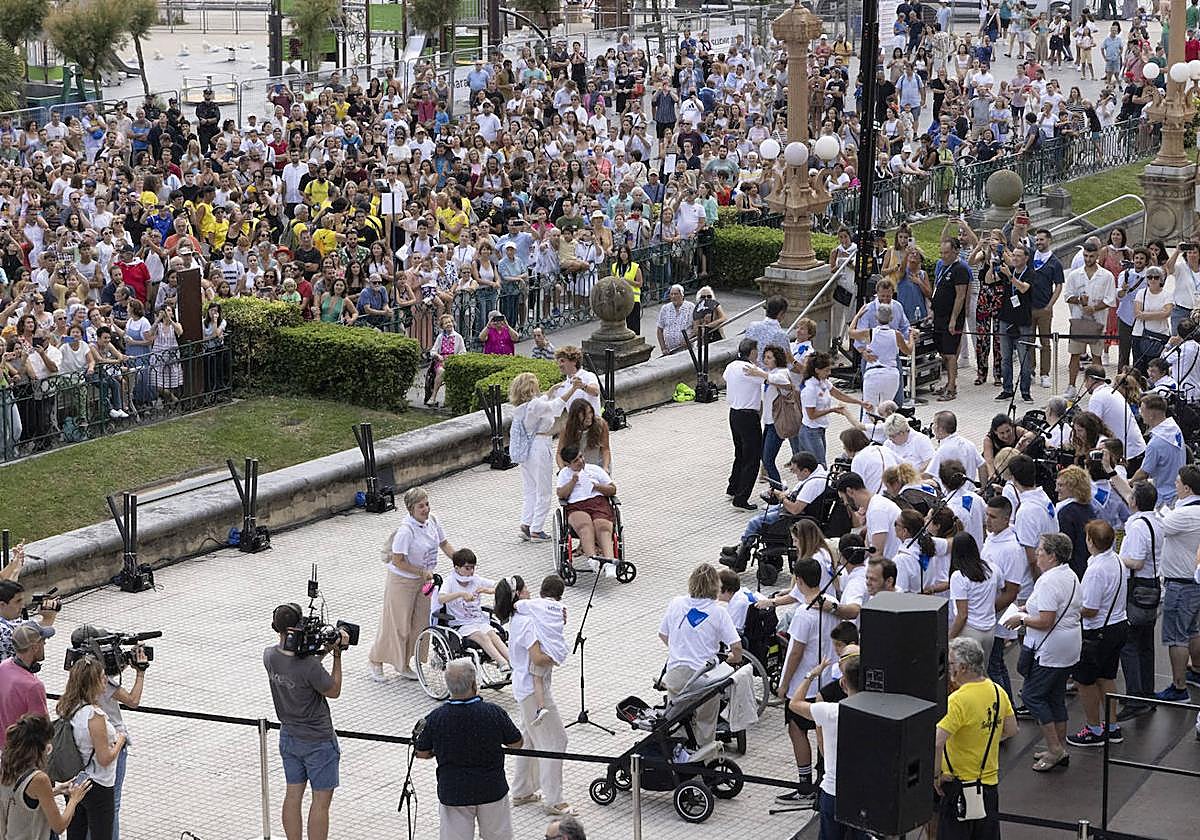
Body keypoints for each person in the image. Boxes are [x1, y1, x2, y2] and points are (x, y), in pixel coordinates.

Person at [264, 602, 349, 840]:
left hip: (289, 736)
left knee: (293, 795)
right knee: (320, 802)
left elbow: (299, 668)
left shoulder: (269, 656)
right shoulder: (310, 666)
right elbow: (333, 690)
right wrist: (337, 654)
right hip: (318, 741)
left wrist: (322, 651)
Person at [415, 659, 524, 840]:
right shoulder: (493, 713)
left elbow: (421, 752)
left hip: (454, 791)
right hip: (491, 788)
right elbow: (516, 743)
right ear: (474, 684)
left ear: (448, 686)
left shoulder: (436, 718)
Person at [1003, 532, 1083, 772]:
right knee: (1055, 697)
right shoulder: (1069, 575)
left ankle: (1055, 749)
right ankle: (1058, 748)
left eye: (1041, 550)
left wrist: (1022, 618)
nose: (1036, 553)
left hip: (1050, 650)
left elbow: (1046, 621)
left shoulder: (1048, 581)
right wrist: (1027, 609)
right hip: (1068, 646)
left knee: (1032, 696)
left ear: (1052, 556)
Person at [496, 575, 573, 818]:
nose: (530, 590)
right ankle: (554, 800)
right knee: (555, 741)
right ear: (519, 593)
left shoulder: (520, 616)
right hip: (533, 690)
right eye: (525, 587)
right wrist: (558, 656)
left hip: (523, 687)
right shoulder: (526, 623)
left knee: (528, 739)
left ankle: (522, 790)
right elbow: (538, 658)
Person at [368, 487, 457, 681]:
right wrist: (420, 572)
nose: (425, 509)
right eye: (420, 506)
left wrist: (459, 560)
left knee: (420, 623)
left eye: (427, 504)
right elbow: (398, 561)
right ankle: (376, 659)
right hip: (403, 581)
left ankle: (404, 663)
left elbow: (444, 543)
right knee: (397, 624)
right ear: (411, 509)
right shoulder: (405, 532)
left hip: (424, 581)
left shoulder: (433, 521)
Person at [934, 637, 1018, 840]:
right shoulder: (998, 691)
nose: (949, 668)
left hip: (957, 785)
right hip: (988, 784)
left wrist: (936, 775)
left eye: (951, 663)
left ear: (962, 667)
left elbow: (937, 741)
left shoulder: (958, 700)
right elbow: (1011, 729)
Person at [69, 625, 149, 840]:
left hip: (83, 753)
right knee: (111, 807)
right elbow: (133, 700)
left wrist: (123, 663)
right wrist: (140, 672)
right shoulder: (98, 701)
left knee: (85, 810)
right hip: (109, 747)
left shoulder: (77, 675)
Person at [776, 556, 839, 807]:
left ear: (799, 580)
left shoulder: (804, 613)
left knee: (797, 728)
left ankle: (804, 786)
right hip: (830, 679)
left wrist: (784, 684)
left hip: (805, 684)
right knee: (825, 729)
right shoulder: (832, 603)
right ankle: (825, 779)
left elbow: (796, 652)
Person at [659, 564, 742, 751]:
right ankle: (705, 758)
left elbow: (663, 634)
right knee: (706, 722)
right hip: (704, 677)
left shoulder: (676, 603)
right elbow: (736, 647)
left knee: (676, 721)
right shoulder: (719, 612)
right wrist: (732, 658)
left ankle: (679, 756)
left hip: (677, 674)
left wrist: (678, 649)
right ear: (716, 586)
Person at [1066, 520, 1129, 747]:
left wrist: (1069, 608)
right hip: (1117, 625)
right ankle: (1112, 727)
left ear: (1090, 541)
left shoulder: (1095, 570)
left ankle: (1093, 729)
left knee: (1085, 681)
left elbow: (1090, 609)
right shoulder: (1117, 560)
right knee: (1107, 677)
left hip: (1098, 632)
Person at [790, 651, 865, 840]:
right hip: (865, 794)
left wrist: (811, 675)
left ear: (843, 683)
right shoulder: (879, 713)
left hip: (833, 791)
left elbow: (795, 703)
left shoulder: (831, 712)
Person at [57, 656, 126, 840]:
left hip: (76, 780)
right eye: (102, 677)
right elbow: (104, 758)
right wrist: (120, 740)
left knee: (76, 833)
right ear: (92, 683)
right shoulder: (94, 716)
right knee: (101, 834)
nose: (106, 681)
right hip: (99, 784)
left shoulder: (69, 707)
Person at [0, 714, 92, 840]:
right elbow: (59, 826)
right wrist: (74, 799)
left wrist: (56, 790)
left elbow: (23, 798)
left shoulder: (6, 767)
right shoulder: (39, 779)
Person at [1152, 465, 1200, 701]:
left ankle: (1179, 687)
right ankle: (1197, 671)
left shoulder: (1183, 515)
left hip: (1181, 583)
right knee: (1193, 629)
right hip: (1195, 580)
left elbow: (1159, 524)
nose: (1175, 484)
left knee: (1176, 636)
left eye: (1178, 482)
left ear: (1187, 488)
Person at [1116, 482, 1161, 720]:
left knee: (1129, 643)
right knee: (1146, 643)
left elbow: (1136, 561)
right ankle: (1147, 693)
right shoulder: (1156, 521)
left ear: (1134, 502)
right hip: (1153, 585)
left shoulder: (1136, 527)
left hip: (1137, 588)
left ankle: (1135, 697)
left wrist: (1117, 558)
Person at [508, 373, 570, 542]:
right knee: (544, 491)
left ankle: (526, 523)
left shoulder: (521, 408)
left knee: (530, 489)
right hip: (540, 446)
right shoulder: (534, 405)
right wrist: (572, 390)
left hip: (527, 449)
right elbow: (554, 407)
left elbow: (541, 405)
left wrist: (549, 393)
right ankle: (537, 528)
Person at [1063, 240, 1116, 397]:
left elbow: (1110, 300)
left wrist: (1093, 308)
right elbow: (1067, 296)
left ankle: (1097, 387)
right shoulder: (1074, 275)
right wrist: (1079, 300)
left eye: (1091, 256)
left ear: (1097, 256)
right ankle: (1071, 386)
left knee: (1096, 356)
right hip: (1078, 320)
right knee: (1075, 354)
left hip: (1098, 322)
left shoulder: (1107, 276)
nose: (1088, 259)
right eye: (1086, 256)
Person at [555, 445, 618, 562]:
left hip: (597, 501)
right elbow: (561, 494)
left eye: (581, 457)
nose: (580, 461)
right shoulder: (564, 473)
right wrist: (573, 481)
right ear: (568, 464)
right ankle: (593, 560)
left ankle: (610, 561)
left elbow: (613, 489)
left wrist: (597, 486)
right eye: (576, 461)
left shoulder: (595, 469)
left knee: (603, 527)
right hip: (577, 504)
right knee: (585, 527)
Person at [724, 338, 764, 510]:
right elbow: (770, 380)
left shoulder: (731, 366)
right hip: (748, 416)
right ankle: (741, 499)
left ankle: (733, 488)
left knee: (740, 453)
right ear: (753, 352)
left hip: (734, 413)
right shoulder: (751, 370)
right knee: (752, 458)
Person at [948, 533, 998, 664]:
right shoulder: (991, 569)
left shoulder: (959, 577)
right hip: (989, 631)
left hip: (969, 631)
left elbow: (962, 614)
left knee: (965, 673)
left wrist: (950, 637)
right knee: (982, 671)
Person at [932, 238, 971, 401]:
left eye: (946, 253)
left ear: (955, 251)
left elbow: (960, 296)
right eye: (941, 253)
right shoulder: (943, 267)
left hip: (951, 317)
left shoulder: (960, 269)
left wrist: (954, 319)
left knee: (950, 353)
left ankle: (952, 387)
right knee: (942, 351)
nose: (943, 256)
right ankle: (949, 383)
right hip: (939, 316)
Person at [0, 624, 49, 747]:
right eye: (43, 642)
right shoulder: (33, 686)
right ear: (35, 647)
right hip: (23, 751)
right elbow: (43, 727)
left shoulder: (3, 667)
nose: (45, 644)